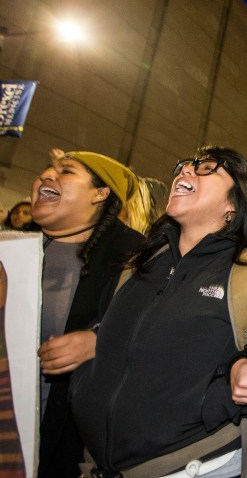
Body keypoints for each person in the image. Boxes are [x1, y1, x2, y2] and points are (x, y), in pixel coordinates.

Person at [70, 146, 247, 477]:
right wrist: (88, 364)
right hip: (99, 464)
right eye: (186, 165)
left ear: (233, 205)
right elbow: (116, 333)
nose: (186, 171)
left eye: (207, 168)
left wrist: (219, 399)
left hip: (197, 464)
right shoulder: (139, 264)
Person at [32, 150, 145, 478]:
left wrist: (102, 343)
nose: (47, 176)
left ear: (100, 193)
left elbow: (159, 337)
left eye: (66, 171)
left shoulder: (135, 258)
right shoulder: (14, 247)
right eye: (47, 169)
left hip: (67, 448)